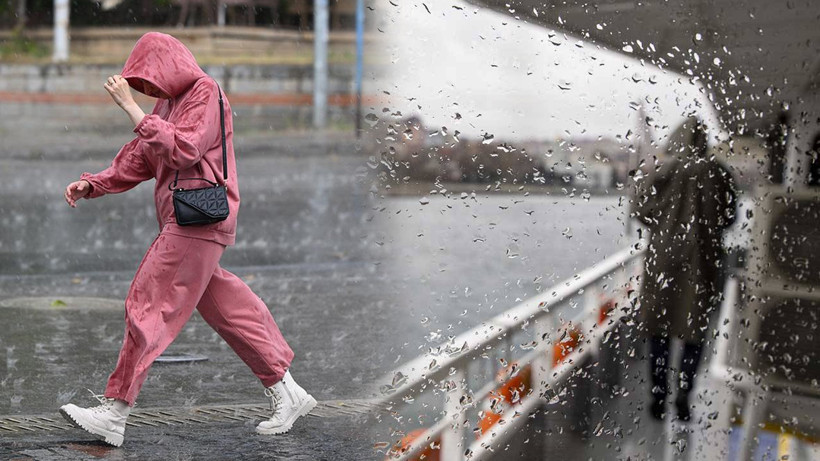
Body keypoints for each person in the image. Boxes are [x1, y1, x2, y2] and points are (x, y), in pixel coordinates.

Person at [60, 32, 315, 447]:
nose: (148, 90)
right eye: (142, 87)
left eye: (149, 81)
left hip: (196, 220)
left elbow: (184, 150)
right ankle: (288, 392)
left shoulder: (204, 91)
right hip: (189, 219)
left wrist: (132, 108)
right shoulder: (169, 102)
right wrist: (95, 184)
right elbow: (142, 156)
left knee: (147, 303)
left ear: (167, 65)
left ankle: (115, 411)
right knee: (228, 309)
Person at [631, 116, 737, 422]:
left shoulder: (664, 171)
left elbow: (640, 209)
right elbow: (729, 218)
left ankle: (657, 396)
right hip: (702, 262)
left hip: (662, 263)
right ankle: (683, 396)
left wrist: (664, 224)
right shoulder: (719, 173)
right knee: (694, 332)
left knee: (659, 332)